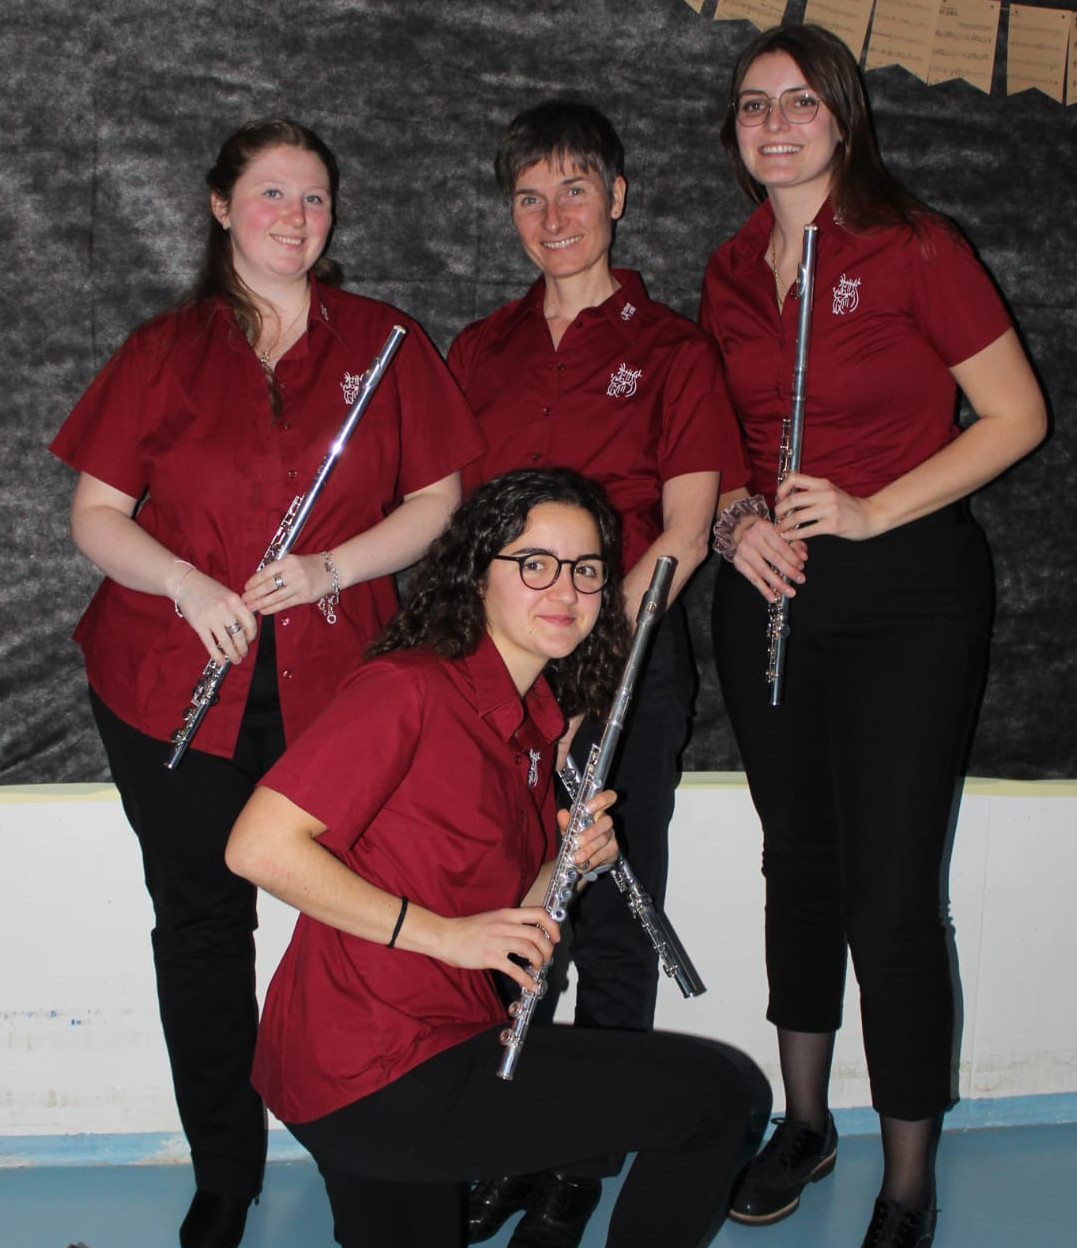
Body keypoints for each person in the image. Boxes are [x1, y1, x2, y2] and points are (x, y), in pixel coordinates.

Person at [49, 118, 484, 1248]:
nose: (296, 217)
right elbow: (96, 514)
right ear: (220, 206)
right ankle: (225, 1173)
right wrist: (187, 583)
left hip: (347, 685)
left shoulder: (386, 341)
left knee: (366, 925)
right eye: (273, 194)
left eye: (315, 197)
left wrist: (337, 565)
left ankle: (375, 1160)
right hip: (169, 681)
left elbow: (438, 501)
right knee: (202, 930)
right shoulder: (163, 349)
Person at [224, 467, 770, 1248]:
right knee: (716, 1098)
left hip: (411, 1047)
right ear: (477, 573)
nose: (566, 590)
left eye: (586, 570)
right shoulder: (409, 689)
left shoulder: (535, 724)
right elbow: (257, 847)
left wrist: (575, 864)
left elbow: (509, 902)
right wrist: (443, 937)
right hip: (375, 1063)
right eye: (535, 564)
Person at [700, 24, 1047, 1248]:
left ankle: (908, 1181)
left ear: (844, 116)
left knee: (892, 895)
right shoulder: (729, 268)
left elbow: (1016, 415)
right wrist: (736, 523)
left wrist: (868, 509)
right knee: (798, 863)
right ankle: (804, 1122)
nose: (776, 124)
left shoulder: (916, 245)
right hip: (770, 593)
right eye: (754, 104)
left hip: (908, 591)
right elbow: (719, 448)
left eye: (801, 101)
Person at [447, 102, 748, 1246]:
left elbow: (685, 527)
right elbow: (457, 524)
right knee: (509, 912)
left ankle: (578, 1165)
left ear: (618, 197)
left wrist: (588, 652)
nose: (553, 214)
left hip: (625, 671)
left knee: (613, 915)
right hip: (497, 675)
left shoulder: (673, 350)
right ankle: (509, 1138)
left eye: (575, 188)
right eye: (530, 195)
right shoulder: (480, 350)